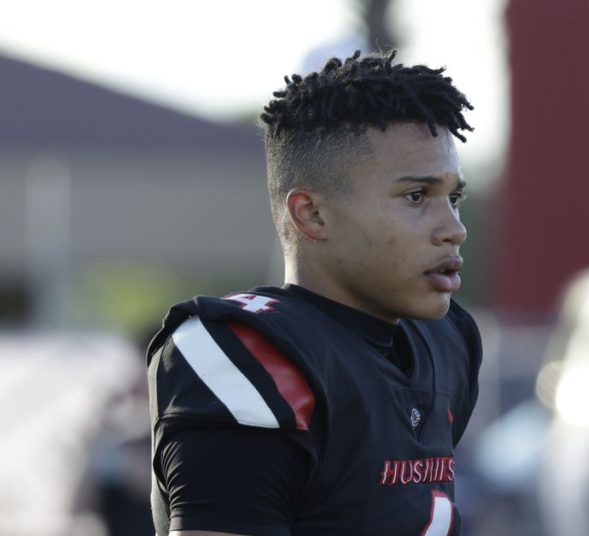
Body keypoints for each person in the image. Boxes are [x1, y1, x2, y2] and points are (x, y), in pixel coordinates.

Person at [146, 50, 482, 535]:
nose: (454, 229)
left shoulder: (446, 340)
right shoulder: (250, 353)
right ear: (312, 214)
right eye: (416, 197)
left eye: (454, 198)